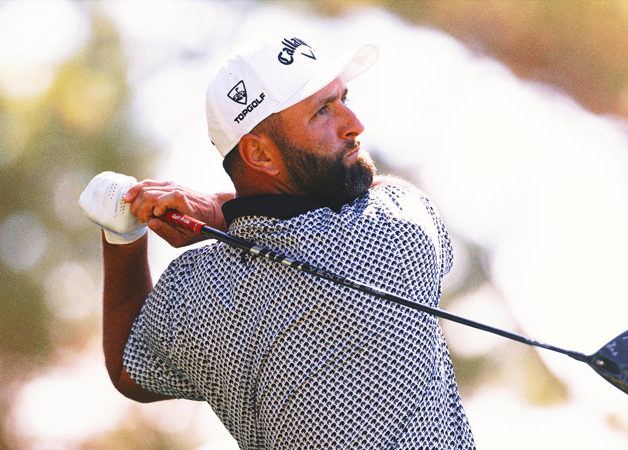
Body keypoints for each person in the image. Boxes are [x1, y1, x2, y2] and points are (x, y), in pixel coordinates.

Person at [79, 33, 476, 449]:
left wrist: (123, 234)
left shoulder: (198, 295)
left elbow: (128, 368)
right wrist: (216, 210)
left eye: (344, 98)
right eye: (323, 111)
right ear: (260, 155)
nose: (354, 124)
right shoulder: (396, 230)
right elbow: (383, 189)